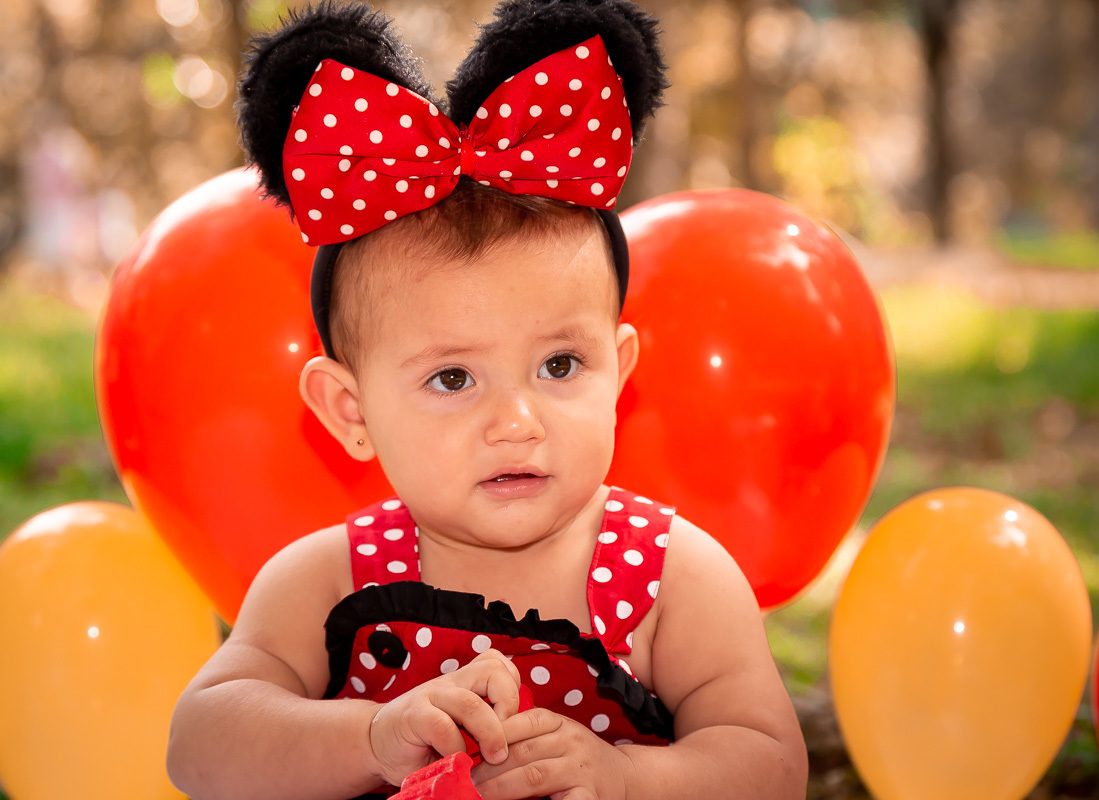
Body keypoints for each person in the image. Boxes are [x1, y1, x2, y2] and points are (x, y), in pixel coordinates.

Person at [167, 1, 808, 798]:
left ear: (621, 369)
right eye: (453, 379)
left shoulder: (670, 579)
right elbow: (199, 747)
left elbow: (773, 769)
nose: (516, 423)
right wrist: (371, 736)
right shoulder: (329, 582)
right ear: (351, 413)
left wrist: (629, 778)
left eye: (561, 365)